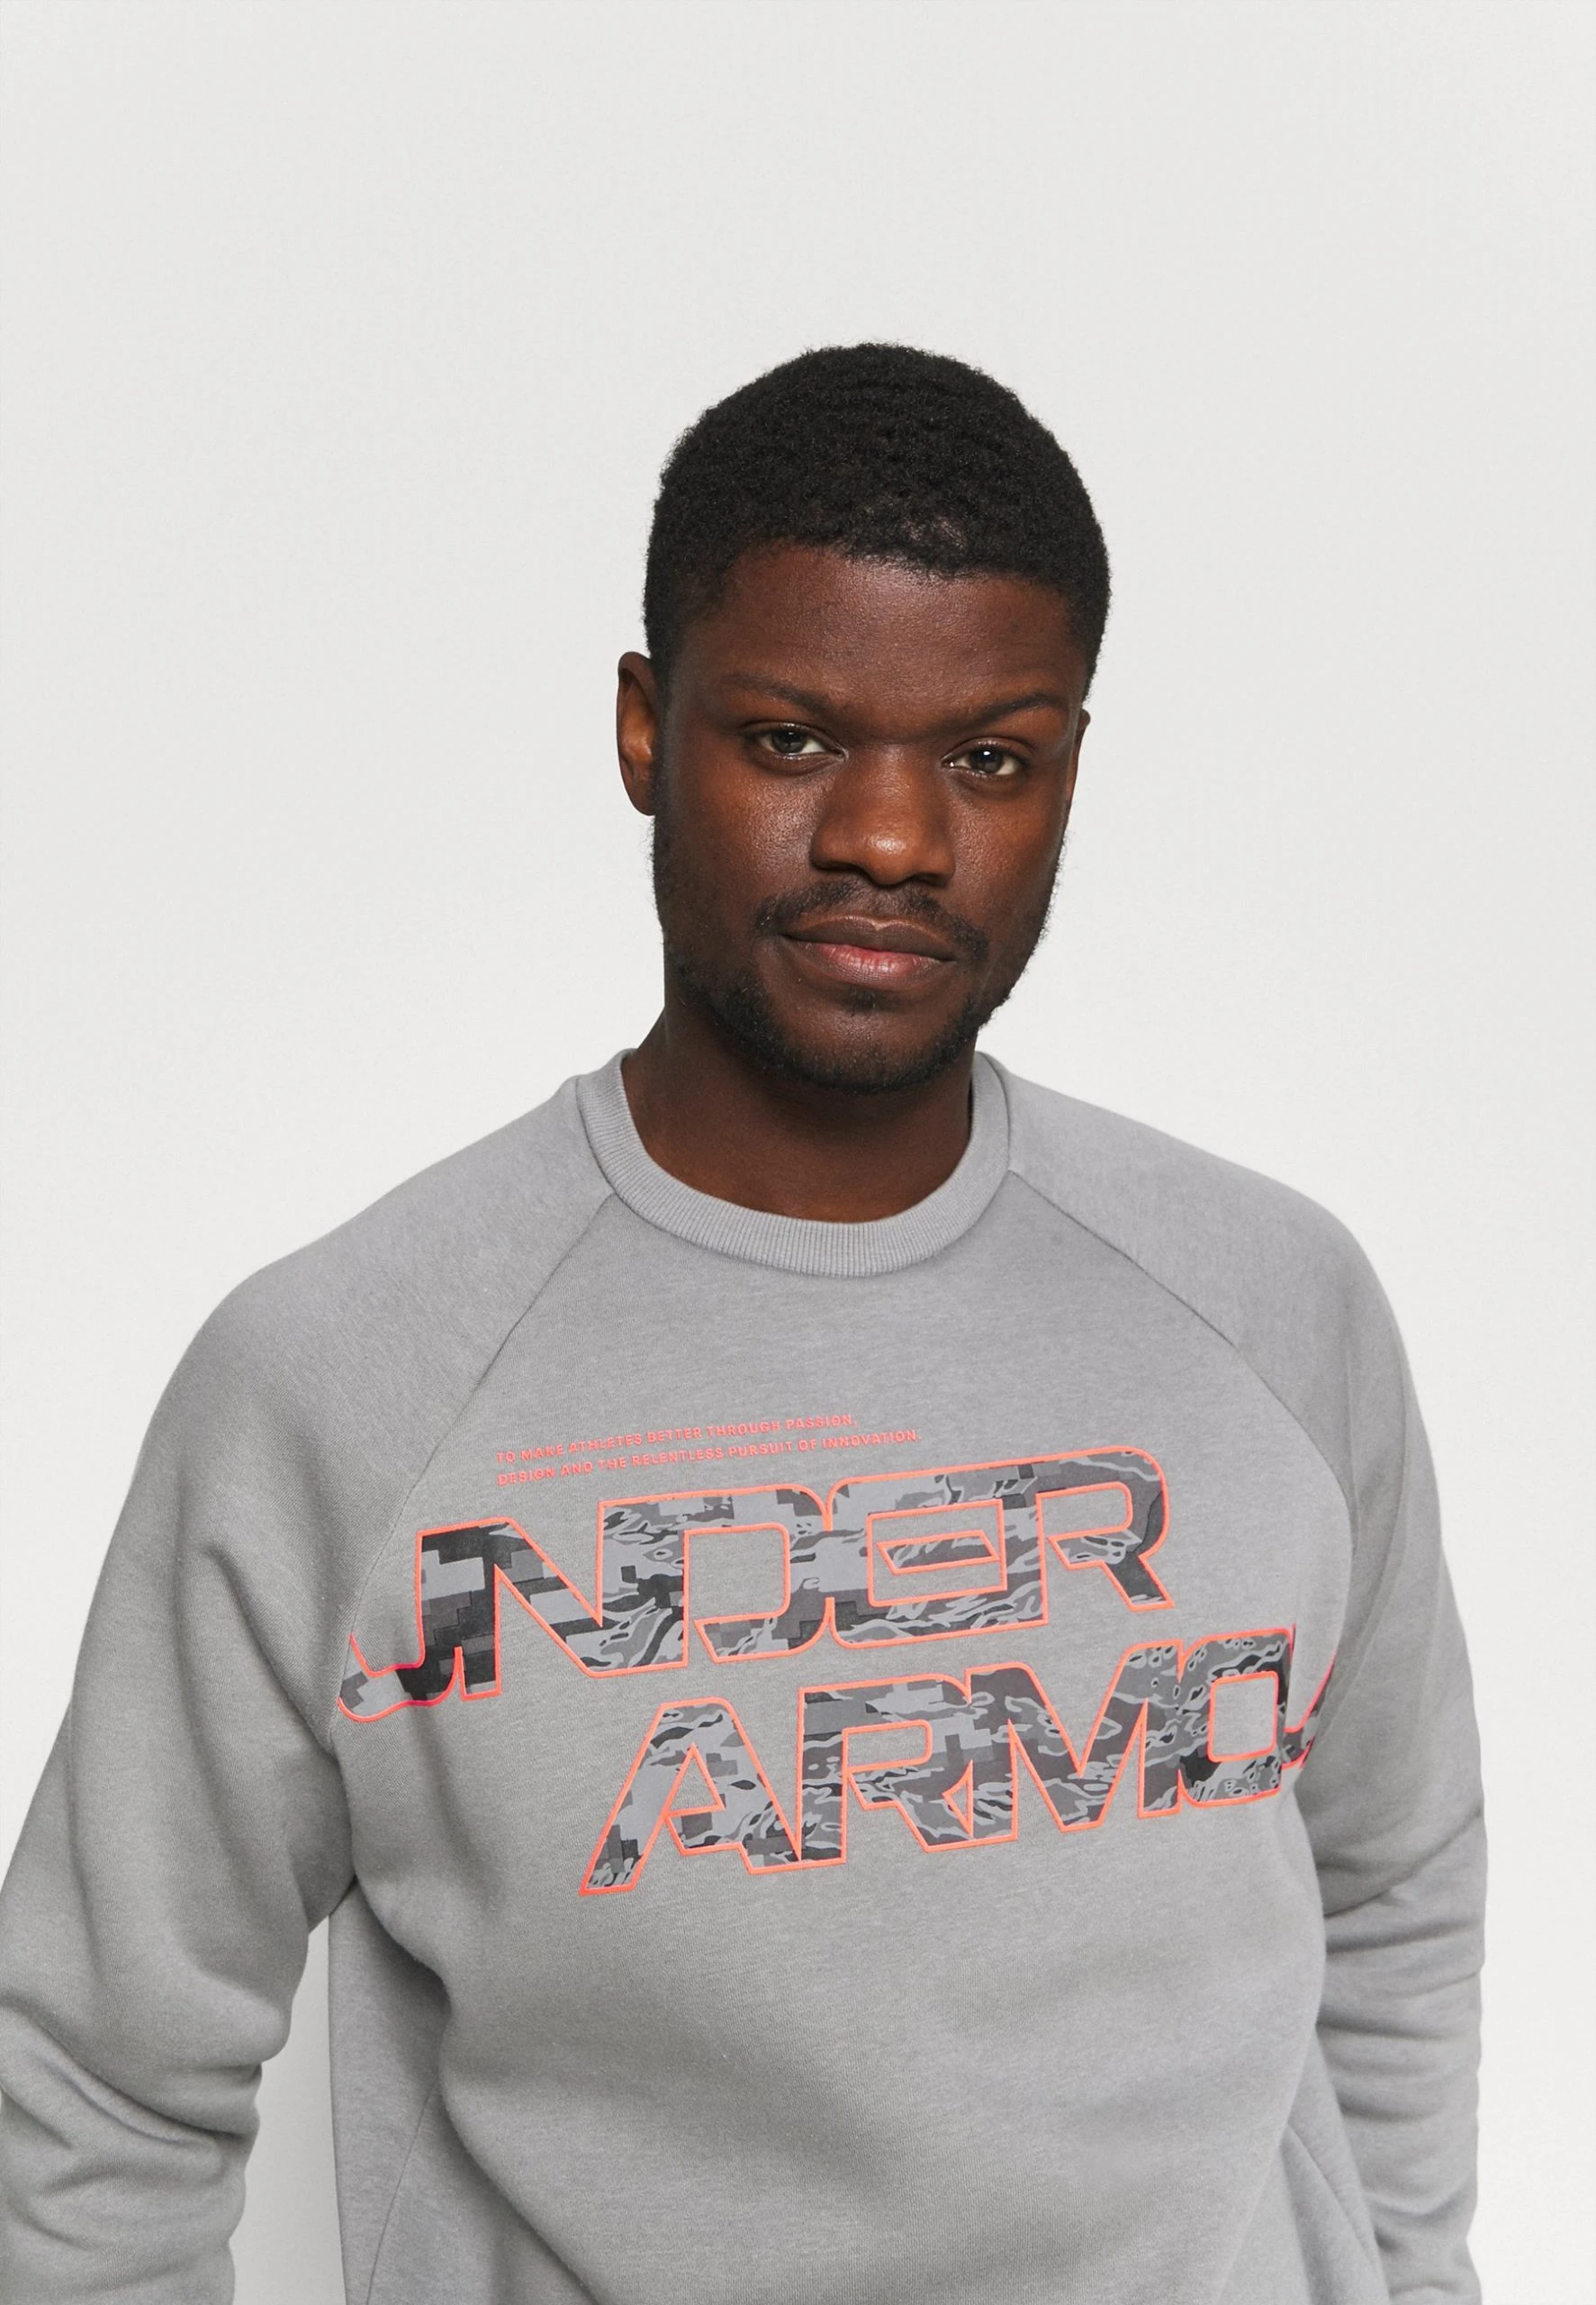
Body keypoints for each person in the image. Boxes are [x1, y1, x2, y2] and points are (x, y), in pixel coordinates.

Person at [0, 345, 1483, 2305]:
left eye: (991, 757)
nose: (891, 839)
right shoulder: (348, 1375)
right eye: (791, 739)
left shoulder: (1275, 1304)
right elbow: (95, 2088)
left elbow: (1392, 1897)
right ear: (645, 729)